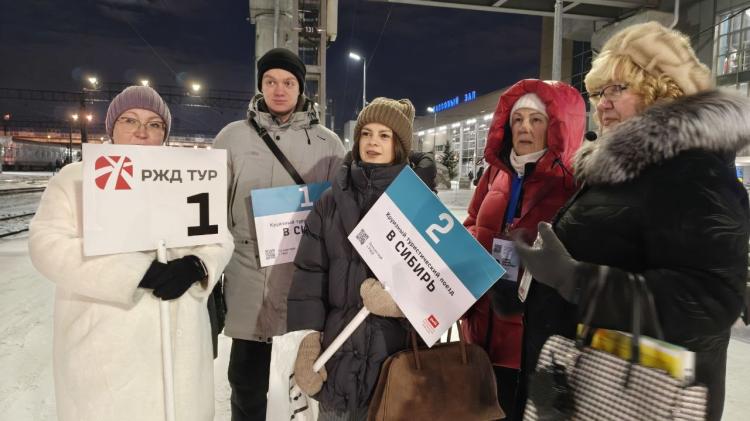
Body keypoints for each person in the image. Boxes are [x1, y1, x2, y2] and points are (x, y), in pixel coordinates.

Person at [516, 22, 750, 421]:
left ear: (663, 89)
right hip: (580, 381)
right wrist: (532, 290)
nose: (602, 104)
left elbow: (709, 301)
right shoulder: (622, 170)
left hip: (638, 397)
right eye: (598, 93)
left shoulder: (694, 172)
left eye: (617, 89)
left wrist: (577, 280)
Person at [28, 85, 234, 421]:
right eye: (130, 120)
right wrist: (134, 273)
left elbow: (219, 237)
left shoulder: (187, 175)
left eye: (154, 124)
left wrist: (199, 265)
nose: (142, 131)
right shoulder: (76, 178)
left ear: (165, 133)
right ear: (111, 126)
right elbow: (46, 244)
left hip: (179, 342)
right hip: (105, 345)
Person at [212, 47, 345, 421]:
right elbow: (212, 207)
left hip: (304, 279)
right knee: (246, 381)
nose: (279, 90)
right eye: (270, 81)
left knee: (307, 378)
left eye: (288, 82)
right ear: (261, 86)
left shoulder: (328, 144)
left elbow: (341, 210)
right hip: (248, 276)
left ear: (301, 88)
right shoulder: (232, 138)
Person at [287, 98, 436, 420]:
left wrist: (401, 304)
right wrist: (309, 340)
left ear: (399, 146)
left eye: (384, 135)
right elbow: (310, 273)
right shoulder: (330, 202)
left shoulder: (422, 205)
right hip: (337, 363)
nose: (372, 142)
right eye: (366, 133)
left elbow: (444, 289)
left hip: (395, 370)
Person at [460, 79, 584, 419]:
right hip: (480, 332)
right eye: (517, 119)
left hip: (527, 346)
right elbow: (472, 222)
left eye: (536, 119)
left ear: (556, 126)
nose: (524, 127)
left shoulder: (571, 184)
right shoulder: (495, 174)